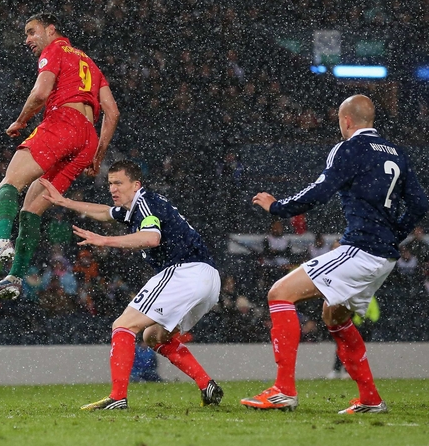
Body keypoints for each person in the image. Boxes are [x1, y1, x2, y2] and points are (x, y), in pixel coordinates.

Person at [241, 95, 428, 414]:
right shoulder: (397, 153)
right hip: (385, 256)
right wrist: (394, 234)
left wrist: (278, 207)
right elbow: (421, 204)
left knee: (279, 293)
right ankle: (370, 398)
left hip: (361, 248)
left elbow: (321, 190)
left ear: (346, 121)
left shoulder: (349, 148)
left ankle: (283, 390)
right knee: (334, 315)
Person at [39, 160, 223, 410]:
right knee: (155, 336)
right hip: (208, 279)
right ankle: (207, 385)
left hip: (185, 271)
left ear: (136, 185)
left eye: (119, 183)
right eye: (110, 183)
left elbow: (151, 238)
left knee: (123, 325)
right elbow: (105, 212)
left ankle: (117, 397)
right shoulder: (132, 209)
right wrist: (65, 202)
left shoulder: (145, 202)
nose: (113, 188)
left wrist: (105, 240)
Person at [0, 12, 120, 299]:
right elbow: (112, 113)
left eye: (31, 32)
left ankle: (3, 242)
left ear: (51, 30)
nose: (27, 40)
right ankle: (14, 277)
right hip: (87, 138)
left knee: (8, 183)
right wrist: (98, 155)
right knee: (31, 210)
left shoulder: (55, 49)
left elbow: (40, 94)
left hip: (62, 122)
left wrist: (21, 120)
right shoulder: (89, 62)